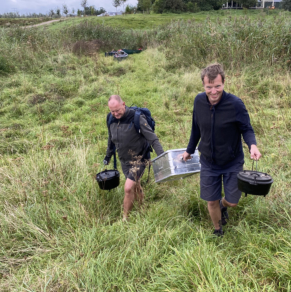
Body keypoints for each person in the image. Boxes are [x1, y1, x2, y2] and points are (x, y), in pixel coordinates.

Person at [182, 63, 262, 237]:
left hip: (232, 161)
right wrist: (189, 150)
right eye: (209, 87)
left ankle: (223, 206)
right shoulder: (198, 101)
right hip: (209, 161)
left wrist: (252, 145)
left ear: (224, 83)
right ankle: (218, 230)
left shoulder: (235, 104)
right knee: (211, 201)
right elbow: (196, 128)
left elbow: (246, 128)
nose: (213, 91)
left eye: (217, 86)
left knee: (233, 201)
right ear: (203, 86)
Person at [104, 95, 164, 221]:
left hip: (139, 159)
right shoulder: (110, 118)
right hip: (124, 160)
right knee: (136, 185)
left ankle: (125, 219)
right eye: (112, 111)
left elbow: (152, 138)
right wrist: (108, 155)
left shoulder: (137, 118)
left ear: (123, 104)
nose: (115, 114)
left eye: (118, 110)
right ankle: (141, 209)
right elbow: (111, 139)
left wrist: (162, 156)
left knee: (128, 188)